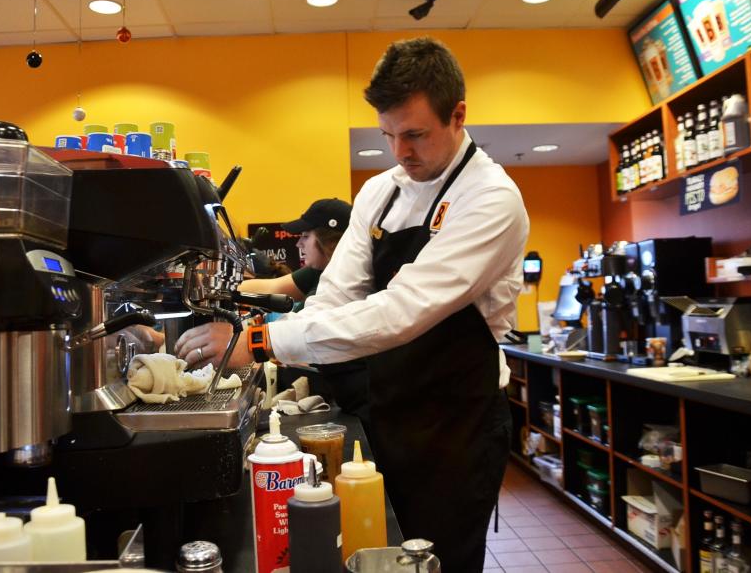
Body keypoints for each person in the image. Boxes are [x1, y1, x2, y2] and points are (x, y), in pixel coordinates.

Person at [176, 37, 529, 570]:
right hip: (388, 412)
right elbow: (335, 297)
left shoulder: (491, 199)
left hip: (457, 426)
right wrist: (280, 337)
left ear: (458, 115)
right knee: (376, 547)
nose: (400, 152)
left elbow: (402, 310)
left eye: (415, 134)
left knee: (441, 562)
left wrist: (261, 340)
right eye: (388, 135)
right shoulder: (379, 192)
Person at [240, 198, 369, 417]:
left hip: (367, 399)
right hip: (345, 394)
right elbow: (271, 286)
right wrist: (213, 288)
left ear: (332, 242)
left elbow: (309, 329)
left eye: (306, 236)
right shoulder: (317, 270)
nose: (299, 244)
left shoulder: (350, 282)